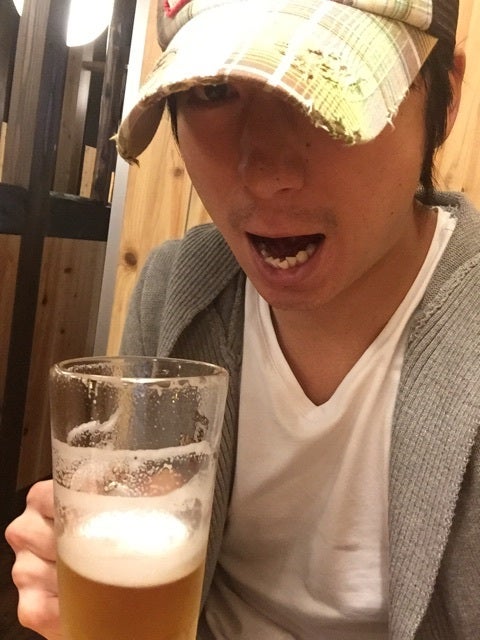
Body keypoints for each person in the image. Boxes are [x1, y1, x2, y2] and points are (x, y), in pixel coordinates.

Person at [5, 0, 480, 638]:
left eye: (330, 79)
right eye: (213, 90)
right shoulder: (176, 289)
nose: (267, 173)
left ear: (444, 102)